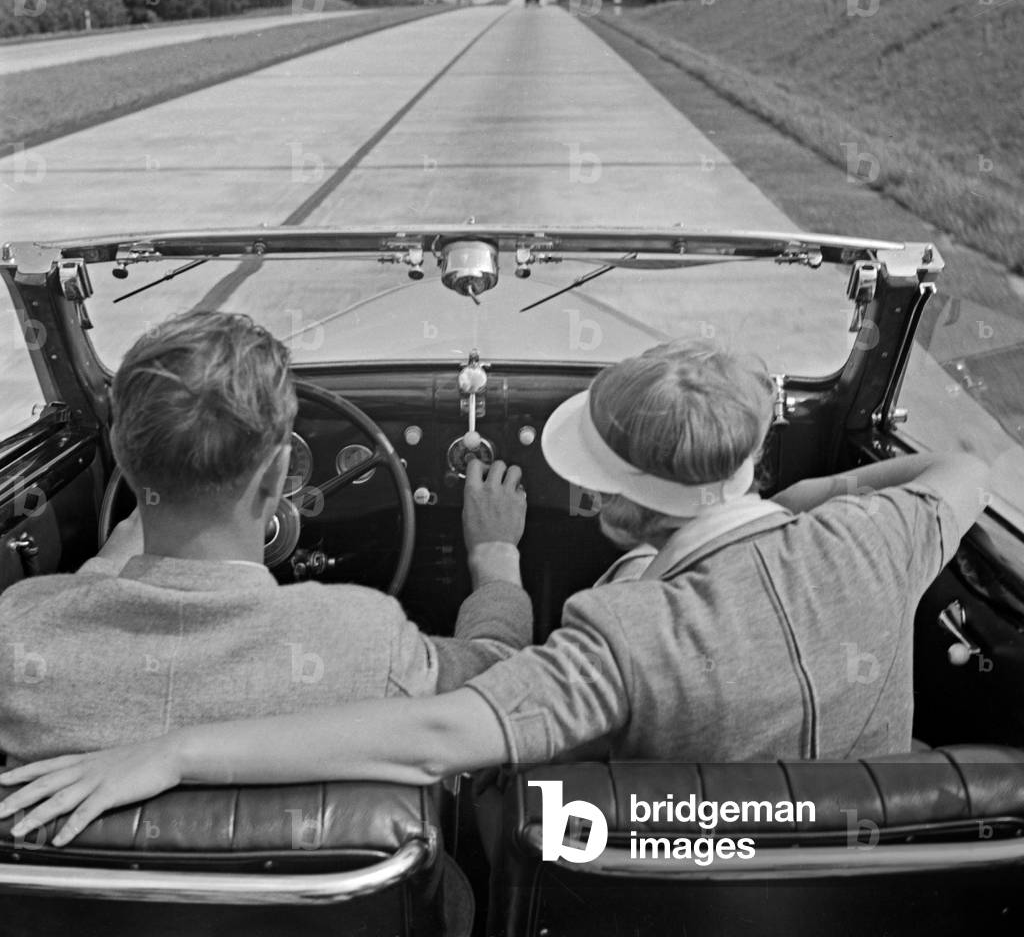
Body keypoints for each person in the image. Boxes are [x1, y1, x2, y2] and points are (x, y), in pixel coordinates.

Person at [0, 339, 991, 847]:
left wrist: (177, 744)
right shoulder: (884, 540)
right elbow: (962, 471)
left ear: (615, 506)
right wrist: (813, 497)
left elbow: (447, 735)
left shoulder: (618, 640)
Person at [0, 310, 531, 767]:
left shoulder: (20, 631)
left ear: (122, 452)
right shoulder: (367, 643)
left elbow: (68, 614)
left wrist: (109, 560)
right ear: (279, 473)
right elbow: (502, 686)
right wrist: (495, 553)